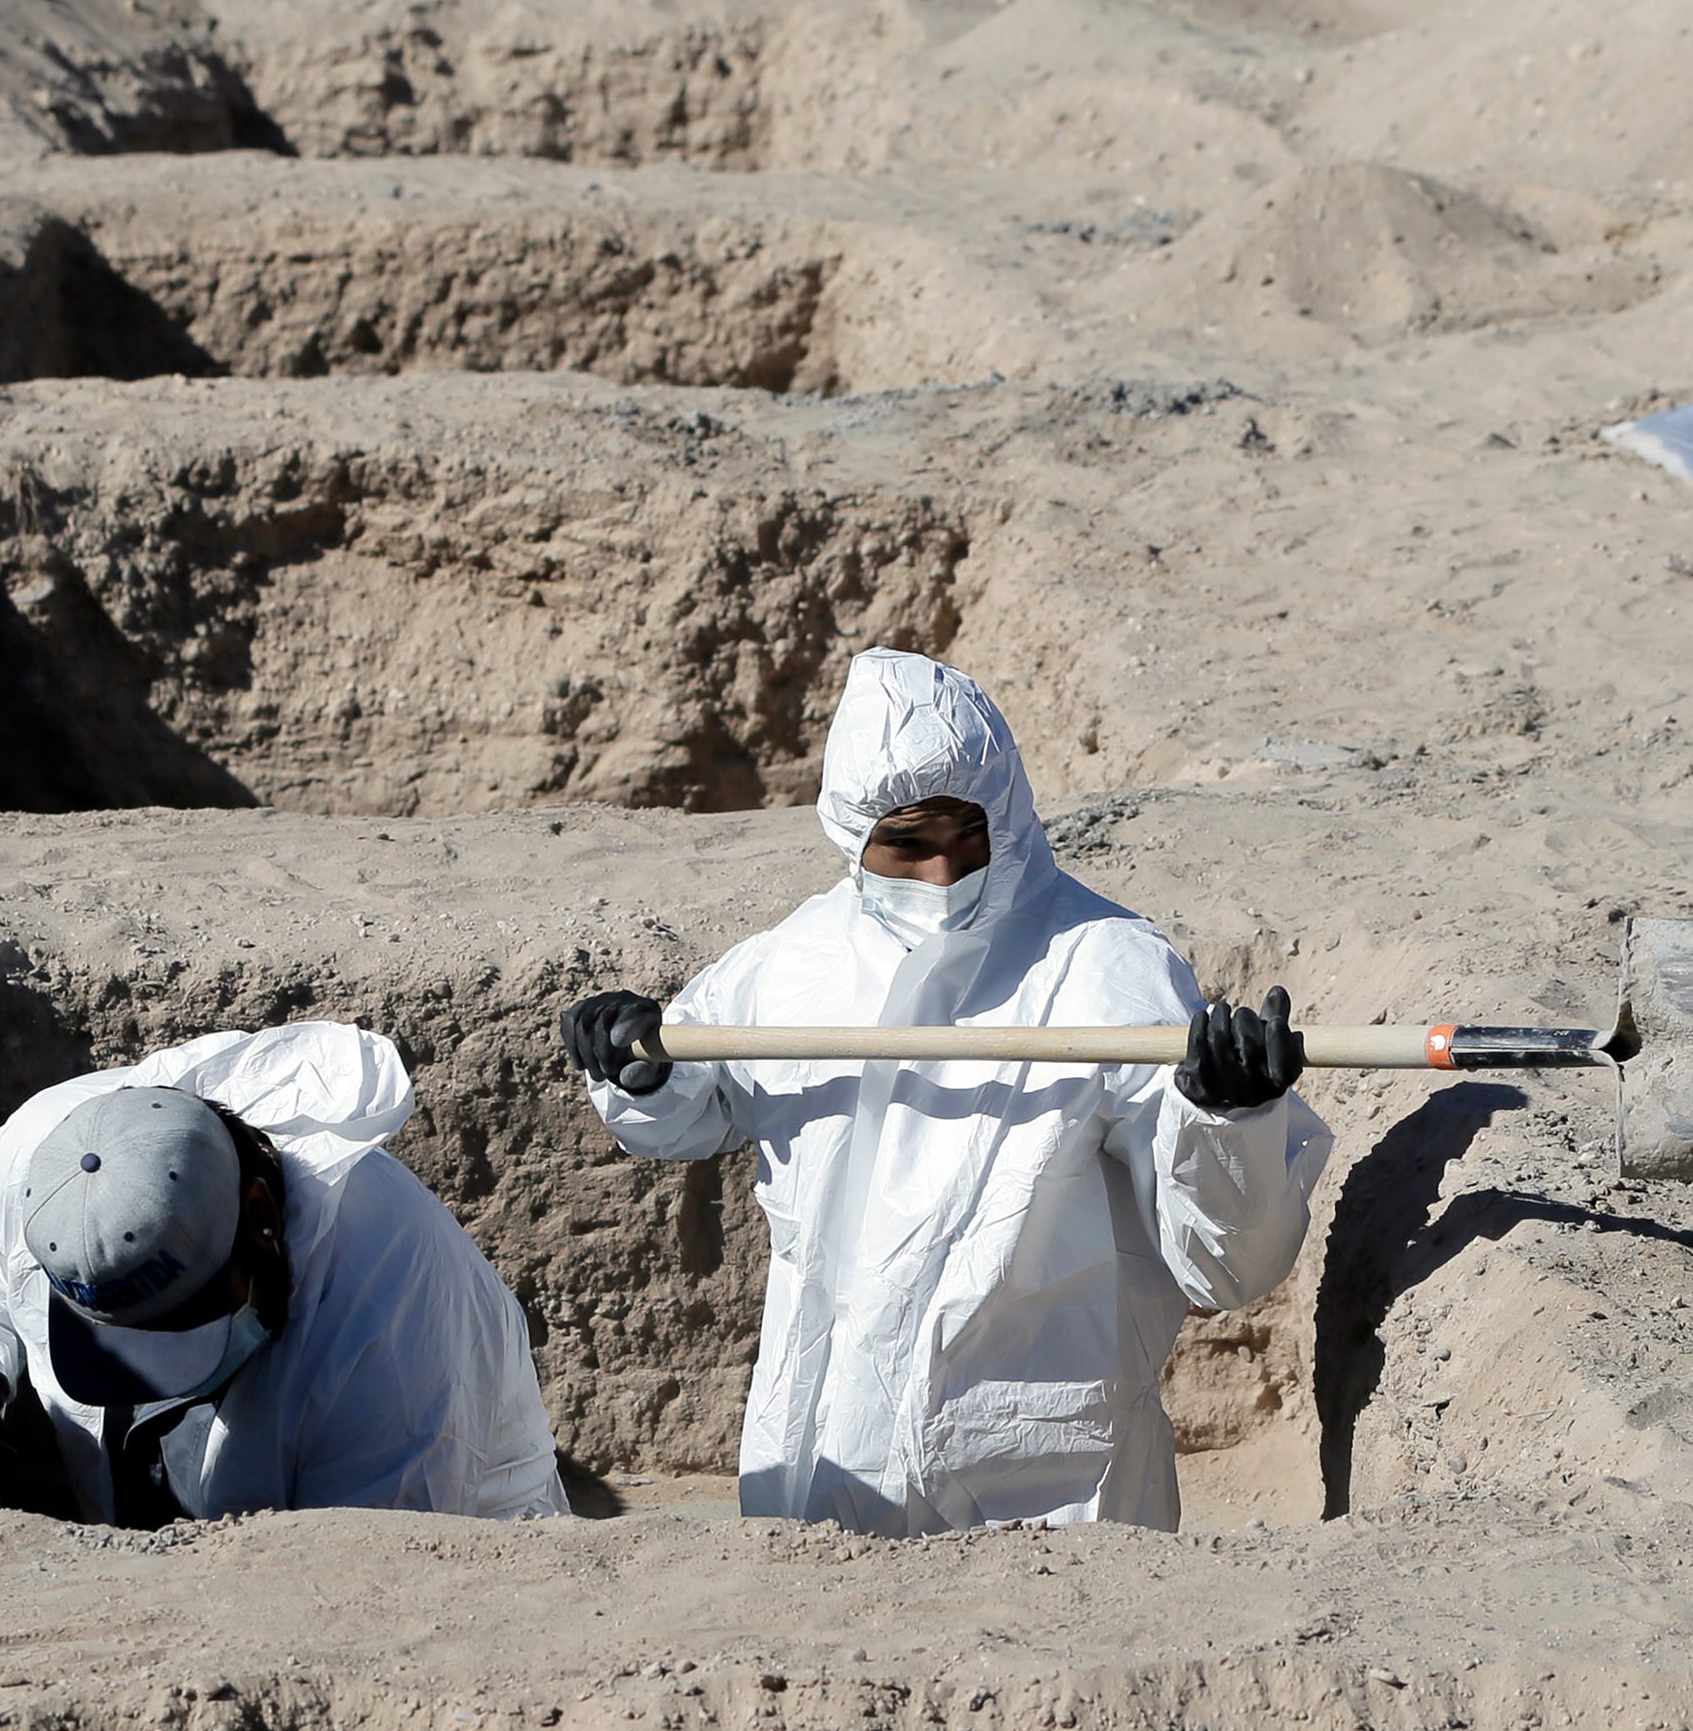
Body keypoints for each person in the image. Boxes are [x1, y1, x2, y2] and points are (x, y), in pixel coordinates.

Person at [559, 650, 1330, 1535]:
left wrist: (1228, 1120)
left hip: (1042, 1489)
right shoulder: (794, 963)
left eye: (968, 837)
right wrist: (639, 1071)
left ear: (1005, 813)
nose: (941, 876)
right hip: (817, 1459)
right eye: (907, 845)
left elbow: (1225, 1265)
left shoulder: (1105, 969)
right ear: (854, 836)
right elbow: (690, 1113)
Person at [0, 1022, 568, 1526]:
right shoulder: (45, 1165)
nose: (150, 1371)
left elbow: (368, 1583)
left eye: (182, 1323)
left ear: (260, 1215)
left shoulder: (391, 1325)